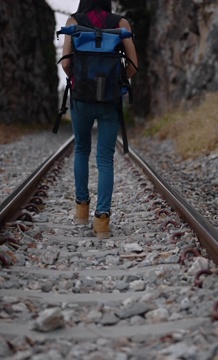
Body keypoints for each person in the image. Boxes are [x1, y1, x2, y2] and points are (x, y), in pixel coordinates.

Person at [60, 0, 138, 239]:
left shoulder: (73, 21)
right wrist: (117, 82)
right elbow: (134, 65)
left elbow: (65, 62)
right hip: (110, 100)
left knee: (82, 150)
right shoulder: (120, 23)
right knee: (105, 159)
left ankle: (81, 211)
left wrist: (79, 81)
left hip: (81, 99)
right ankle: (102, 220)